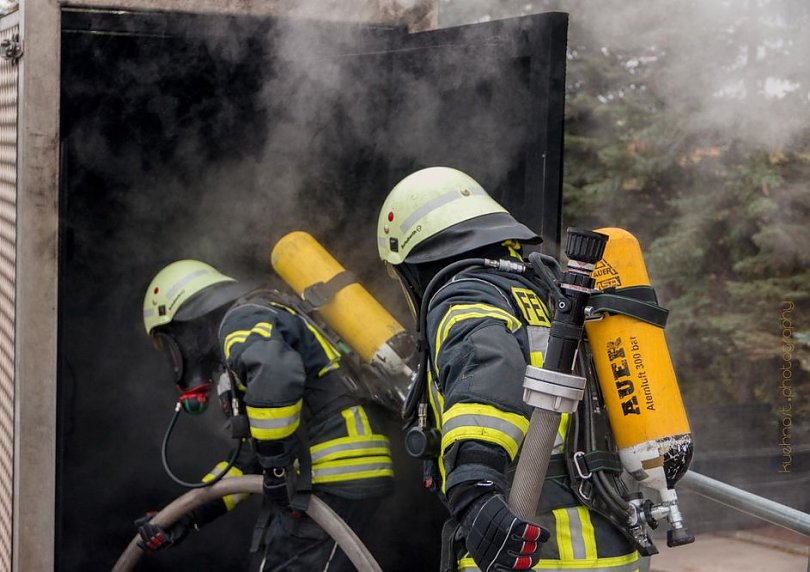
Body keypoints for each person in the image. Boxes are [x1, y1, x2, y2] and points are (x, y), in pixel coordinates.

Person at [377, 167, 642, 571]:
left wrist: (476, 488)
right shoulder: (547, 292)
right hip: (611, 547)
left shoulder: (466, 293)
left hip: (536, 550)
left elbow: (487, 370)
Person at [137, 259, 395, 570]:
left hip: (331, 471)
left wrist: (275, 468)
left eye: (170, 344)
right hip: (328, 474)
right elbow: (249, 462)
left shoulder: (240, 321)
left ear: (187, 324)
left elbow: (276, 373)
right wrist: (185, 516)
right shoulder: (251, 330)